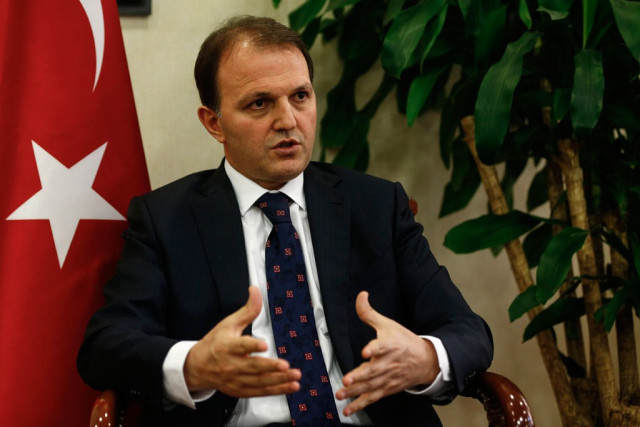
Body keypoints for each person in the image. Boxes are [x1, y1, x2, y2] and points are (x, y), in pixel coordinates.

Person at [77, 15, 493, 427]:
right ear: (214, 123)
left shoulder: (376, 205)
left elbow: (468, 331)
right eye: (260, 103)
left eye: (300, 96)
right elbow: (105, 346)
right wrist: (193, 365)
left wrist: (424, 358)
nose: (288, 121)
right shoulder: (166, 219)